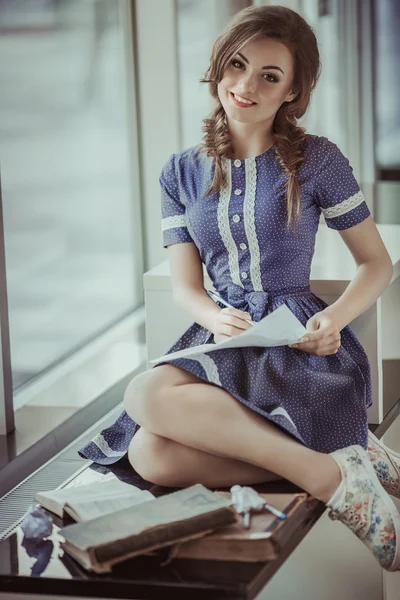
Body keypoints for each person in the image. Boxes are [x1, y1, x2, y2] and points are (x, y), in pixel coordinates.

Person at [79, 5, 400, 571]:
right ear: (218, 66)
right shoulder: (179, 172)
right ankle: (338, 464)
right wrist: (211, 313)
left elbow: (376, 264)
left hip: (297, 348)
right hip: (223, 341)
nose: (245, 86)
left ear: (293, 91)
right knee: (147, 452)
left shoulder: (318, 160)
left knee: (144, 396)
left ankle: (334, 477)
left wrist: (335, 320)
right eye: (236, 65)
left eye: (269, 76)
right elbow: (186, 286)